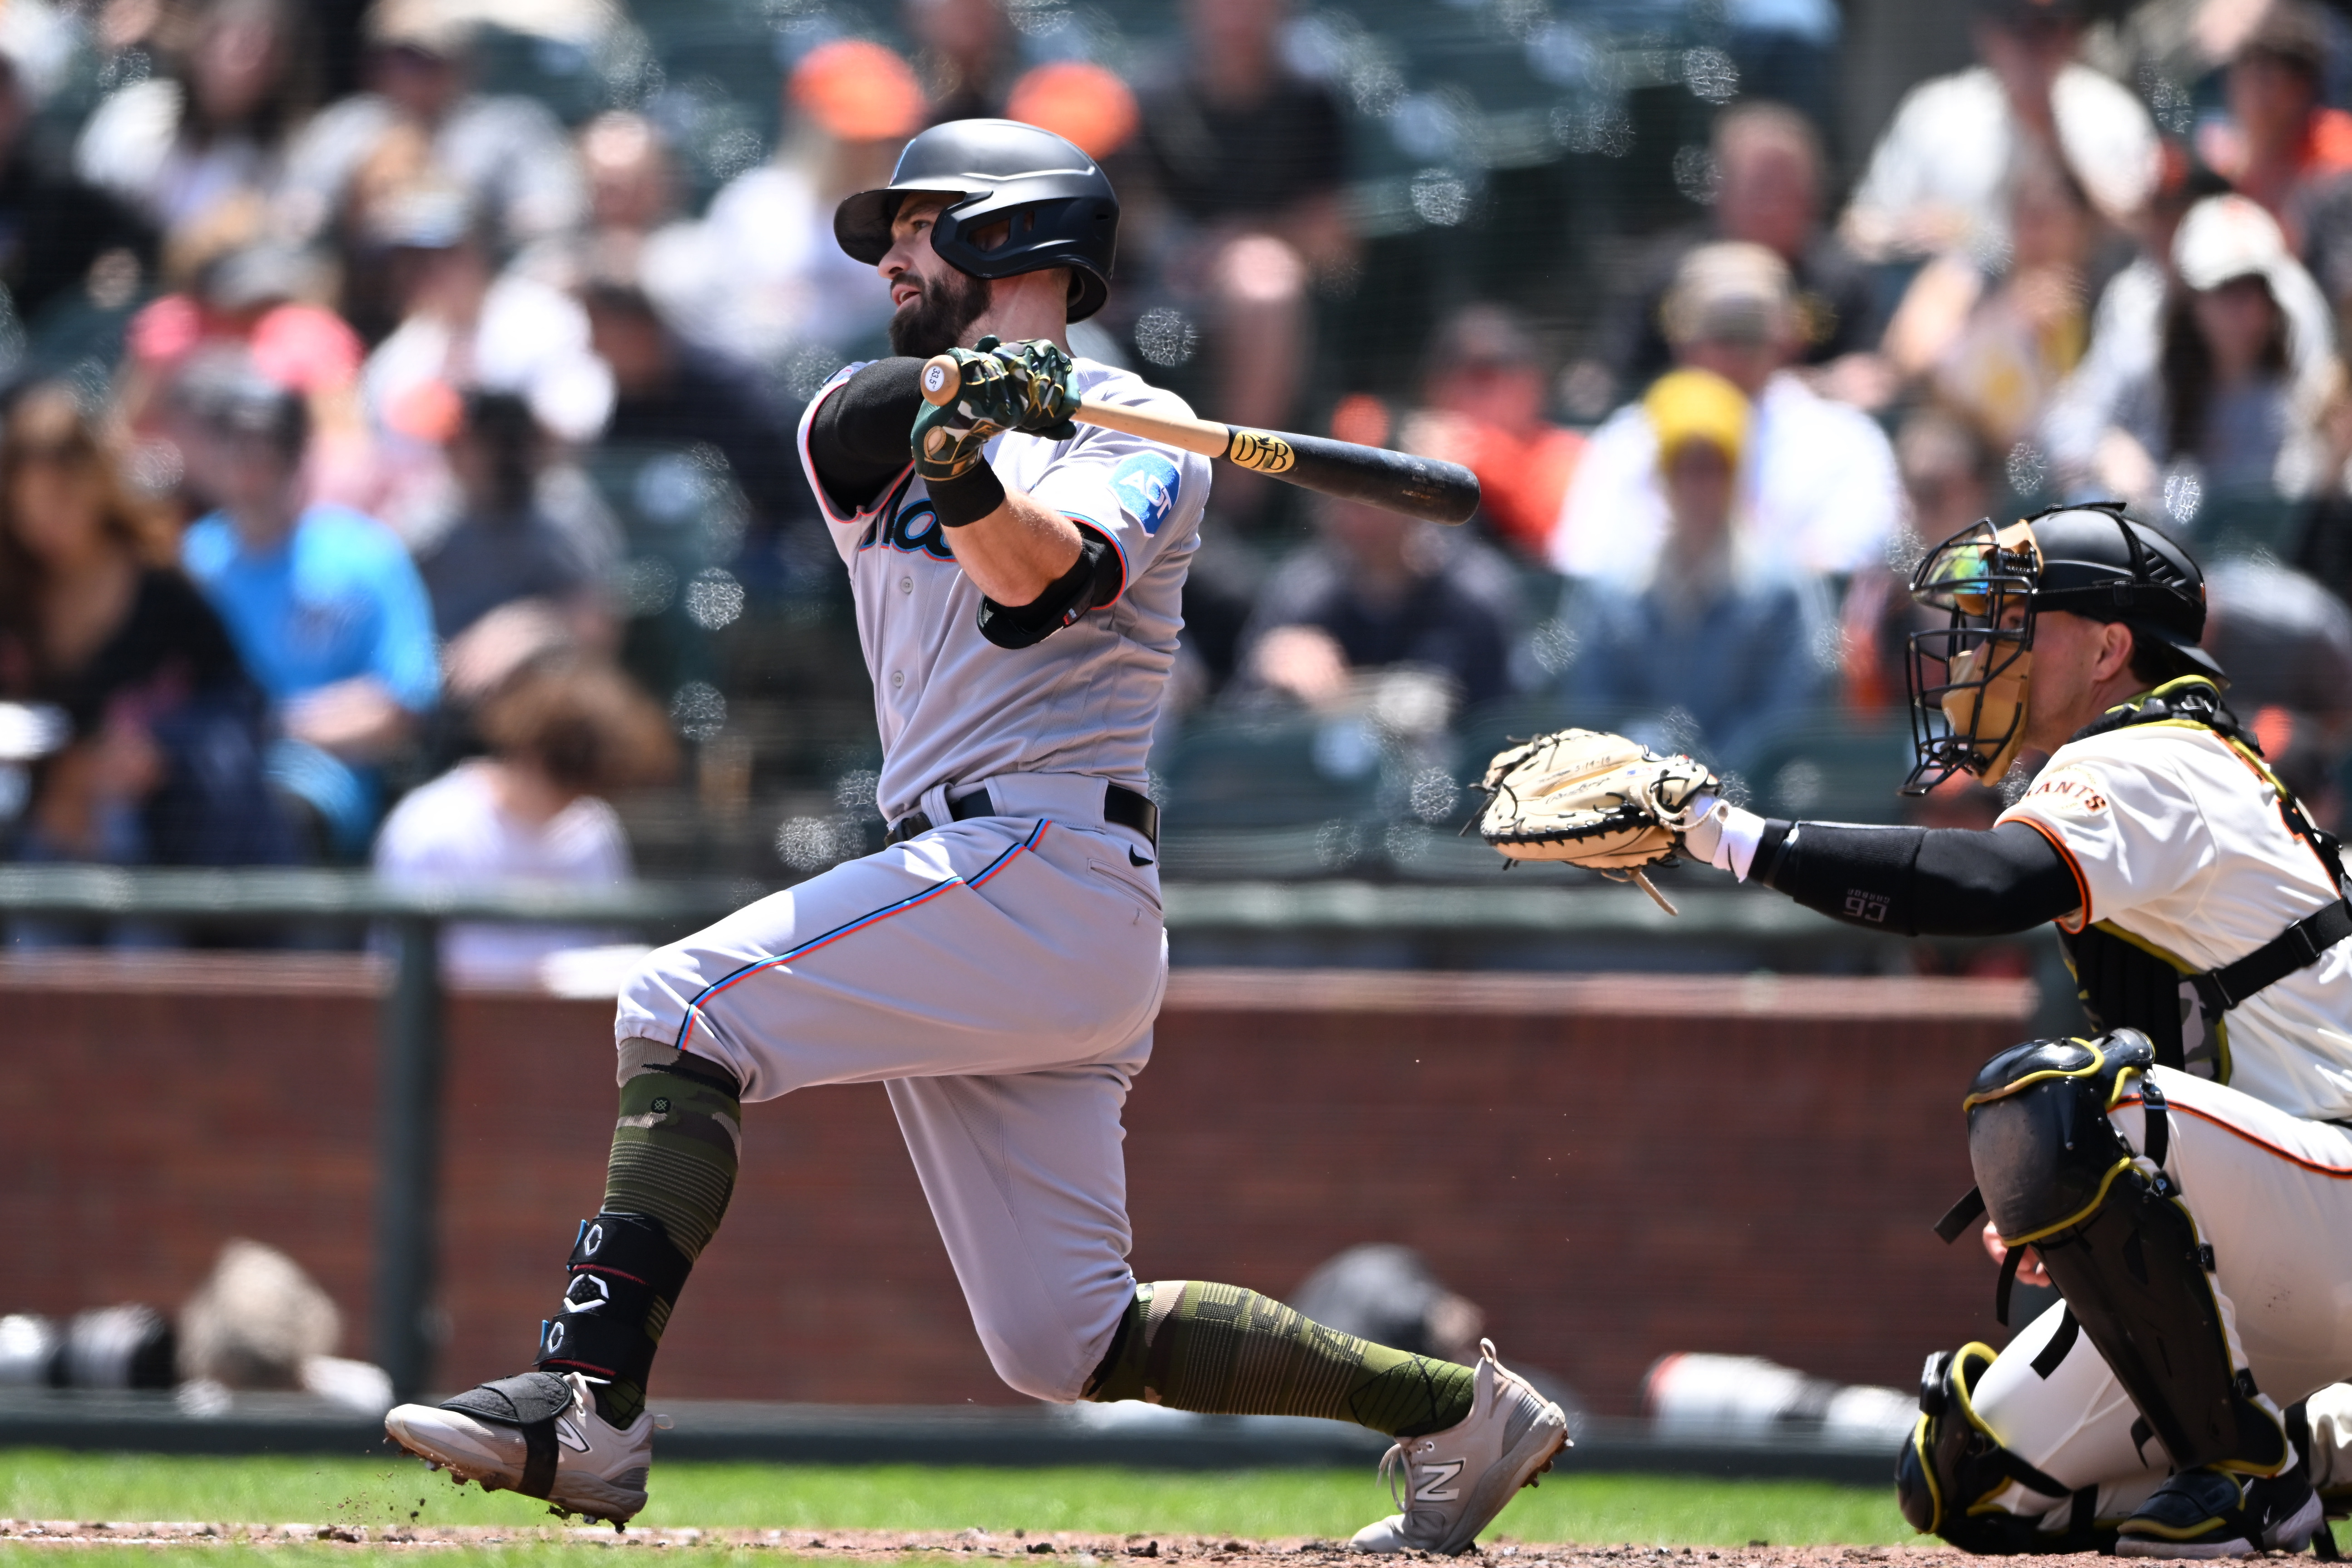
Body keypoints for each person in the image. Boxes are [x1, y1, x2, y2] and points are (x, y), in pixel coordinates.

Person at [381, 119, 1568, 1554]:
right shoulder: (855, 419)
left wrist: (980, 457)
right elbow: (865, 421)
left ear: (1017, 235)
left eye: (921, 222)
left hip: (1043, 866)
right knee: (1060, 1337)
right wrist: (960, 410)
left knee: (678, 1002)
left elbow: (1037, 585)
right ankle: (1460, 1410)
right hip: (991, 890)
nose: (889, 252)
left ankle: (586, 1404)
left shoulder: (1148, 438)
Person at [1604, 504, 2352, 1553]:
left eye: (2013, 619)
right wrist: (2108, 1220)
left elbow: (1988, 883)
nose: (1974, 648)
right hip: (2280, 1231)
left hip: (2329, 1205)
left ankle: (2249, 1482)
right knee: (1966, 1479)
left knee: (2054, 1102)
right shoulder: (2165, 759)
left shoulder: (2156, 748)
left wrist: (1727, 837)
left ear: (2106, 648)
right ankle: (2318, 1443)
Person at [0, 383, 286, 876]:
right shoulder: (13, 597)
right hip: (31, 816)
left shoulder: (162, 590)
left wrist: (159, 746)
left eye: (61, 497)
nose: (46, 520)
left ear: (98, 485)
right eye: (31, 504)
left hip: (158, 826)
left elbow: (240, 701)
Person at [177, 359, 440, 860]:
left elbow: (404, 702)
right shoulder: (190, 564)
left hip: (321, 787)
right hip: (201, 782)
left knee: (278, 807)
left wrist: (274, 726)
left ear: (300, 454)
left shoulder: (367, 555)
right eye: (236, 445)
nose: (252, 463)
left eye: (270, 446)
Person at [1551, 242, 1901, 584]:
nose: (1737, 355)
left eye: (1752, 335)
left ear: (1788, 338)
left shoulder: (1846, 441)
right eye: (1721, 335)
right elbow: (1584, 561)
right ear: (1680, 341)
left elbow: (1855, 562)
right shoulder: (1630, 440)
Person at [1129, 0, 1353, 522]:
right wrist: (1185, 249)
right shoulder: (1155, 92)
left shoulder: (1309, 99)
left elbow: (1336, 241)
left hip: (1270, 298)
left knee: (1263, 282)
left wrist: (1245, 240)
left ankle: (1231, 509)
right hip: (1156, 289)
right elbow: (1133, 213)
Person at [1553, 368, 1833, 769]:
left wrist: (1712, 777)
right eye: (1684, 467)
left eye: (1713, 468)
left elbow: (1786, 714)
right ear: (1664, 476)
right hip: (1636, 804)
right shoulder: (1612, 589)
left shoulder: (1781, 587)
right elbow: (1593, 706)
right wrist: (1649, 762)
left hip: (1750, 804)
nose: (1698, 485)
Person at [373, 655, 674, 986]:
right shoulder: (430, 825)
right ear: (529, 748)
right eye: (566, 769)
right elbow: (398, 974)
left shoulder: (593, 829)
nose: (572, 796)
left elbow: (608, 962)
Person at [2063, 195, 2337, 514]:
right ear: (2190, 297)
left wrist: (2331, 455)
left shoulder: (2297, 334)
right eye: (2226, 289)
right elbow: (2068, 420)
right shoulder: (2144, 340)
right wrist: (2105, 448)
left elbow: (2302, 477)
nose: (2244, 309)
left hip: (2260, 546)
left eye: (2256, 288)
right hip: (2157, 538)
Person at [1842, 0, 2158, 267]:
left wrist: (2053, 136)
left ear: (2072, 33)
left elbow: (2147, 237)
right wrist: (1911, 235)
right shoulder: (1937, 112)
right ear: (1987, 32)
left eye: (2049, 25)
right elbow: (1857, 230)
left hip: (2083, 302)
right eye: (2018, 25)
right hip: (1961, 316)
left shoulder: (2111, 114)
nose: (2034, 44)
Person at [1598, 102, 1879, 399]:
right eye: (1759, 187)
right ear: (1720, 188)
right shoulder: (1665, 274)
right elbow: (1609, 377)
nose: (1772, 205)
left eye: (1786, 187)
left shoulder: (1843, 279)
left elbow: (1867, 374)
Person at [1237, 490, 1522, 713]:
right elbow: (1238, 723)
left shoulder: (1473, 594)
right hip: (1324, 778)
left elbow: (1500, 724)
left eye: (1369, 498)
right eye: (1338, 498)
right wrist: (1270, 669)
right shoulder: (1301, 591)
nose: (1353, 518)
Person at [73, 0, 318, 241]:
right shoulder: (139, 112)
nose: (252, 64)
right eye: (243, 45)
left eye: (266, 54)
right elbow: (86, 201)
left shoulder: (278, 158)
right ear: (204, 44)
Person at [412, 390, 618, 647]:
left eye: (462, 442)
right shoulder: (430, 521)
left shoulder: (562, 511)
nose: (448, 453)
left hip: (544, 676)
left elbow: (597, 626)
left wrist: (525, 629)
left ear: (504, 448)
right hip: (444, 674)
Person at [1401, 305, 1584, 562]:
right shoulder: (1412, 453)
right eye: (1474, 376)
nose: (1470, 392)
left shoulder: (1565, 456)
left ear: (1534, 383)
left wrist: (1480, 460)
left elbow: (1564, 544)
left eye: (1487, 376)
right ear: (1433, 388)